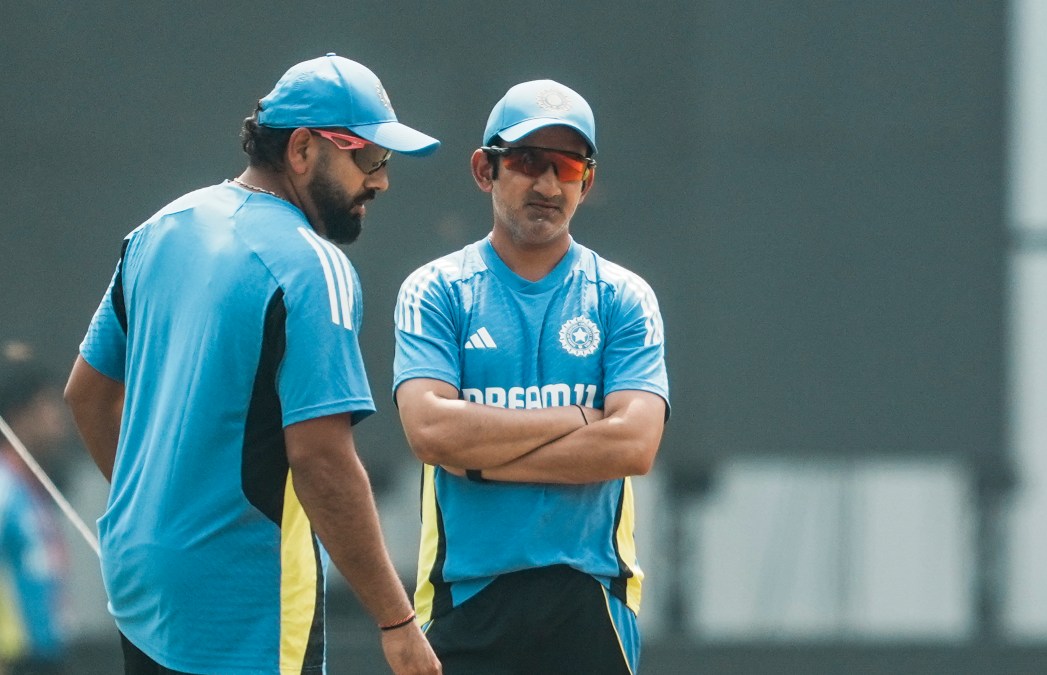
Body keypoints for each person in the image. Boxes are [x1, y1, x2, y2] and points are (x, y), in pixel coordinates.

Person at [63, 54, 442, 675]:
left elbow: (87, 395)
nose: (381, 181)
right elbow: (322, 462)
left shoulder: (161, 228)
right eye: (369, 158)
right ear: (302, 149)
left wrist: (159, 510)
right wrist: (398, 624)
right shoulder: (312, 266)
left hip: (142, 581)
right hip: (243, 606)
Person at [392, 79, 670, 673]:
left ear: (586, 182)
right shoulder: (436, 288)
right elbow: (431, 433)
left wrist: (481, 459)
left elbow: (634, 443)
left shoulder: (623, 296)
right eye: (526, 161)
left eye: (566, 166)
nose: (547, 185)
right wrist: (578, 420)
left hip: (590, 595)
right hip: (466, 596)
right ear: (483, 170)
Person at [0, 343, 71, 675]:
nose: (59, 418)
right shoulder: (4, 488)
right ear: (19, 414)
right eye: (47, 404)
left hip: (43, 659)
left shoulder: (31, 490)